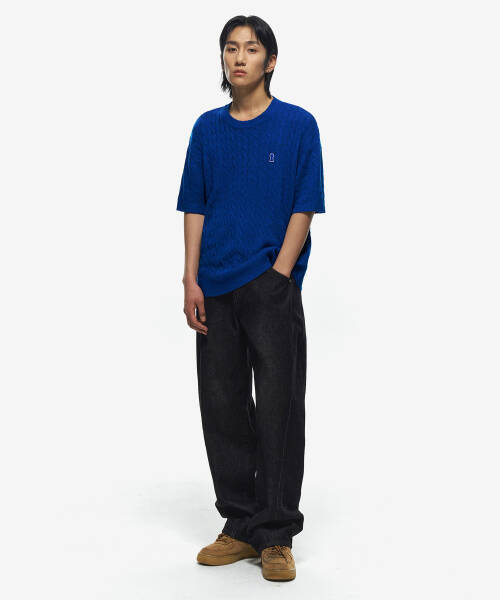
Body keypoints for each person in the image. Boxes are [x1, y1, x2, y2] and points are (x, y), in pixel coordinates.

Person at [176, 15, 325, 582]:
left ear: (271, 61)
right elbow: (195, 203)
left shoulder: (298, 125)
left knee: (280, 407)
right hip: (214, 285)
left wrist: (280, 275)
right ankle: (239, 525)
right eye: (231, 48)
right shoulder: (206, 129)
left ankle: (277, 533)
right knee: (222, 406)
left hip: (270, 284)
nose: (239, 57)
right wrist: (190, 278)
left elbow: (305, 202)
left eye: (252, 48)